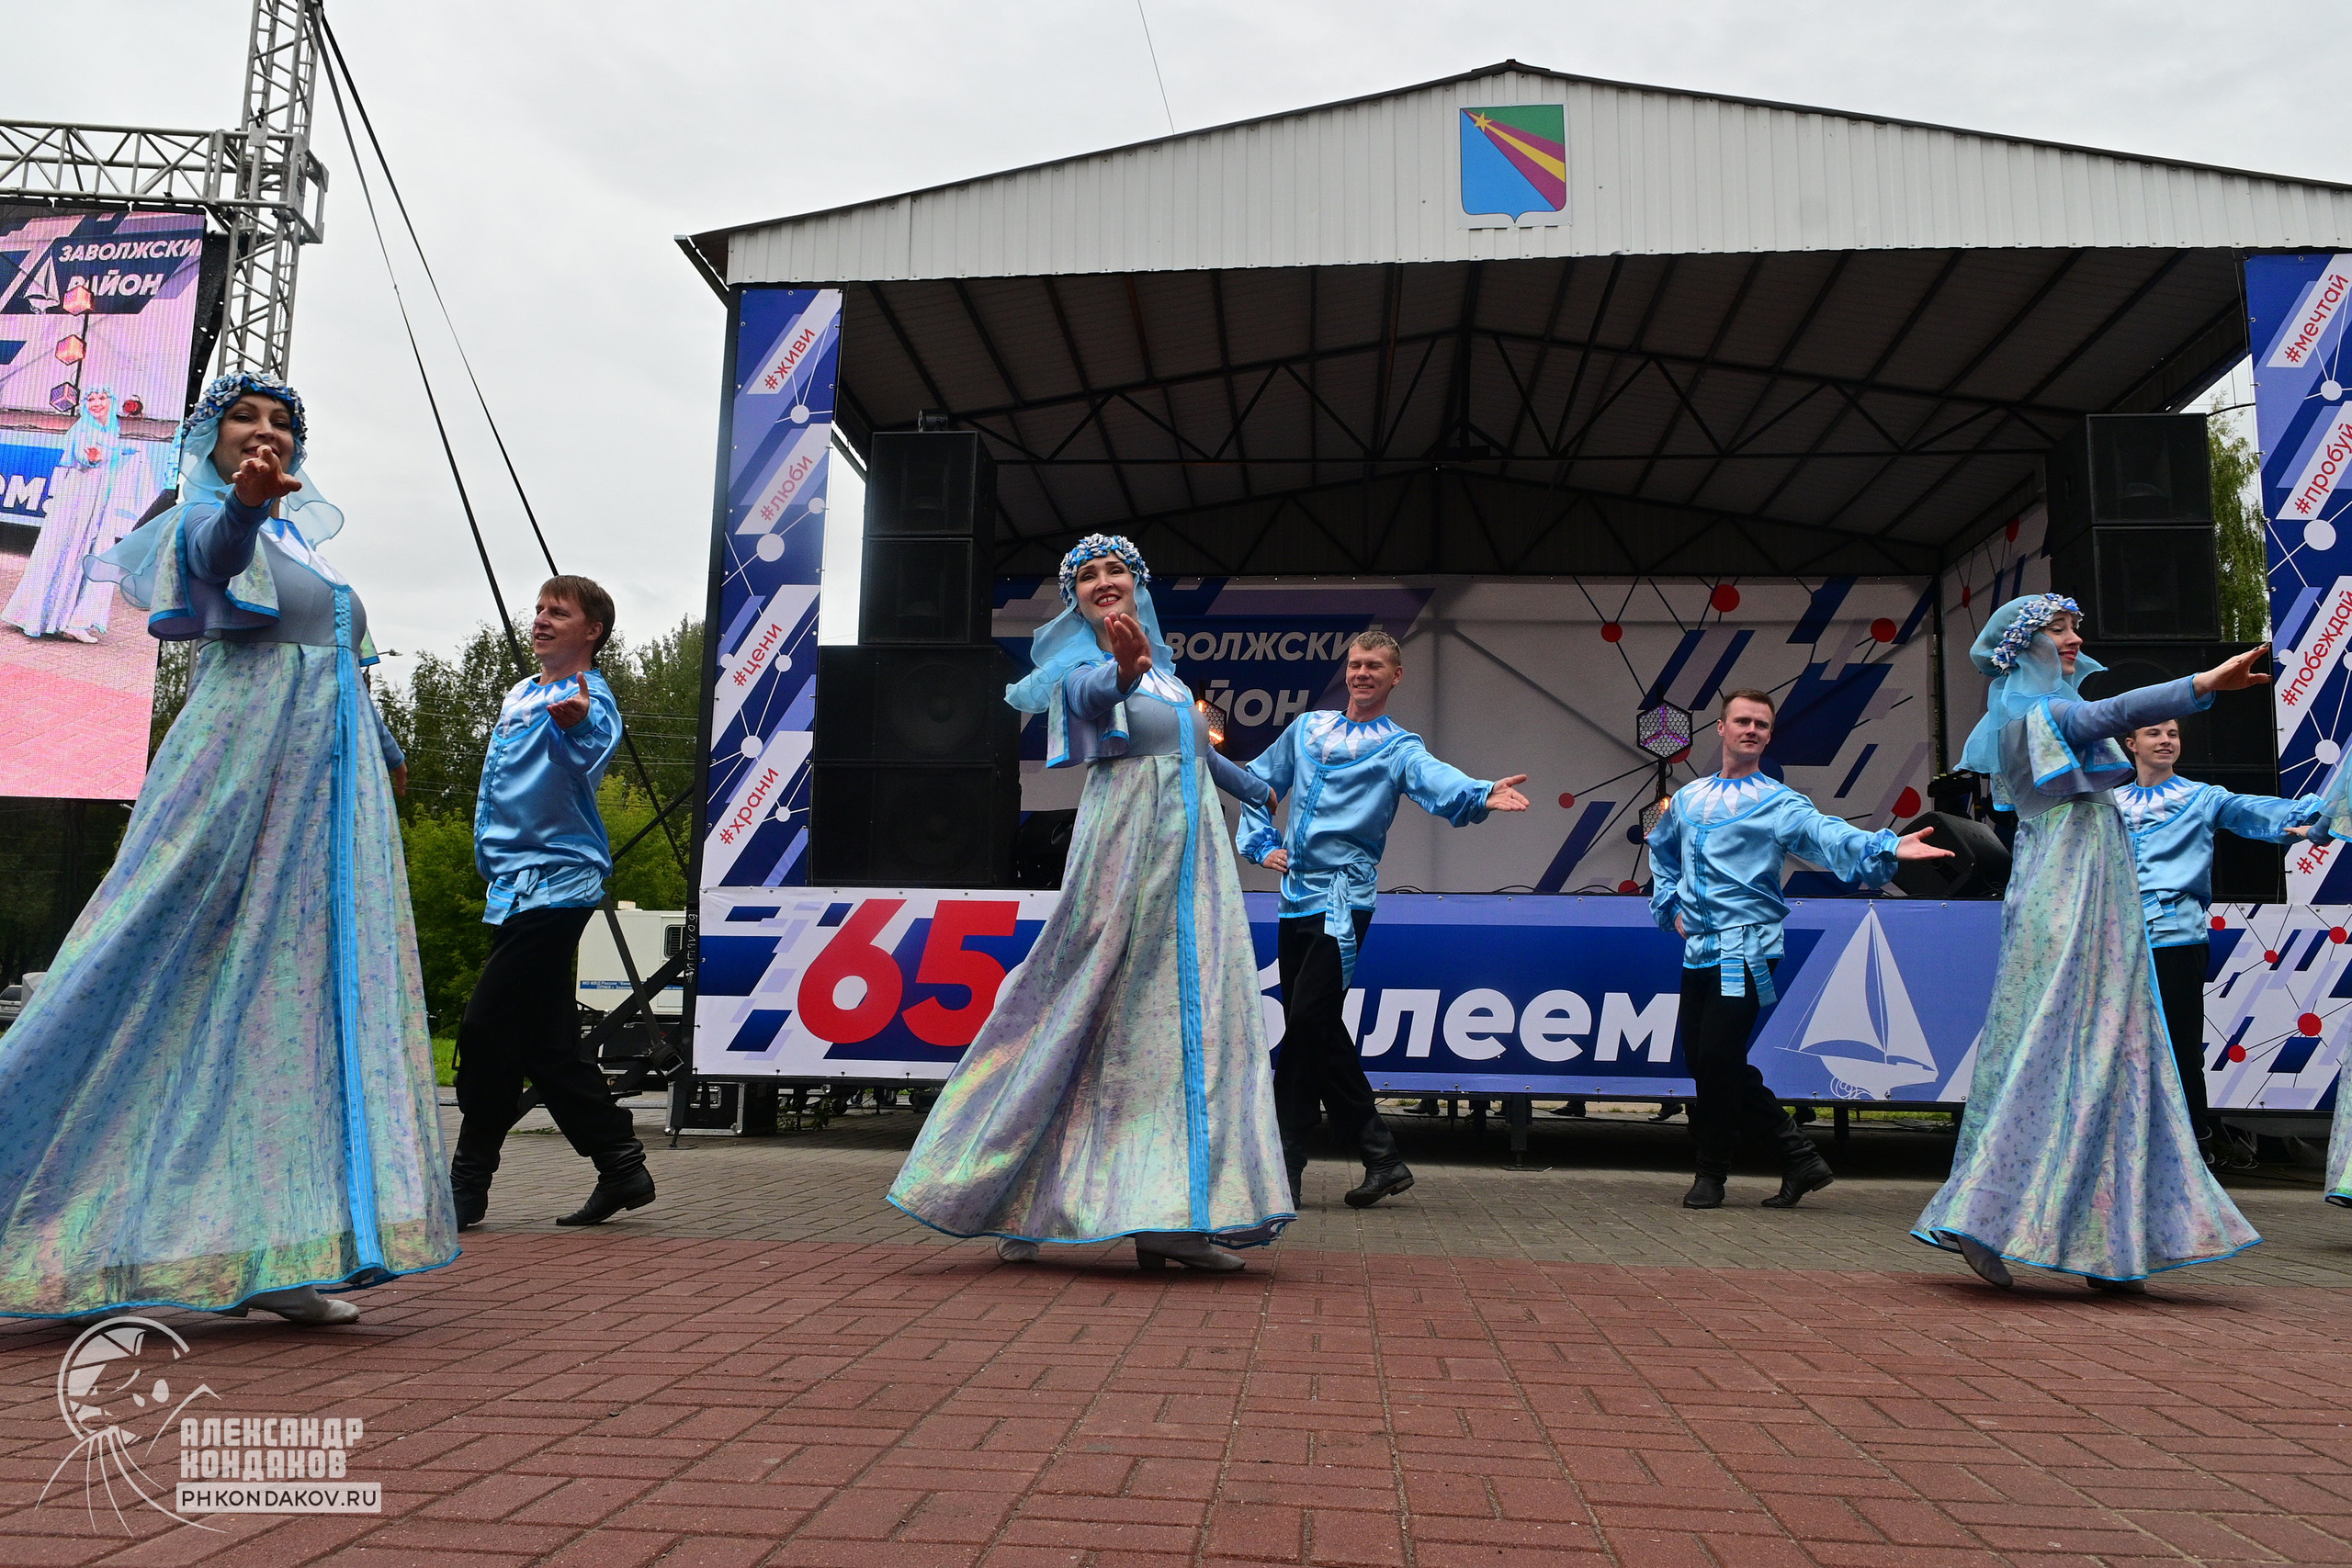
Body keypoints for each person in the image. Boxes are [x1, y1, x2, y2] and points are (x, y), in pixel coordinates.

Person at [0, 372, 454, 1324]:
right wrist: (243, 502)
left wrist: (387, 749)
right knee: (143, 963)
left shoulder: (303, 541)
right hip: (239, 766)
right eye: (244, 419)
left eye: (281, 423)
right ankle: (63, 1244)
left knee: (287, 1004)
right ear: (209, 438)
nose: (265, 433)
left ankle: (272, 1253)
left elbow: (348, 661)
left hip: (326, 793)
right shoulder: (208, 519)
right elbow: (212, 553)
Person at [888, 535, 1291, 1271]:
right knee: (1081, 1013)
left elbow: (1198, 755)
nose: (1103, 582)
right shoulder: (1084, 667)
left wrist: (1262, 790)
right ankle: (1010, 1191)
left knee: (1172, 1033)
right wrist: (1120, 669)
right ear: (1074, 597)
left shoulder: (1168, 679)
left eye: (1115, 571)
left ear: (1138, 584)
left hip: (1193, 877)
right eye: (1087, 576)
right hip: (1130, 860)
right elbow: (1087, 695)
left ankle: (1168, 1215)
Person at [1913, 594, 2267, 1292]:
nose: (2075, 639)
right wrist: (2201, 685)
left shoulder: (2057, 712)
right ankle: (1982, 1215)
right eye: (2059, 628)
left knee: (2123, 1055)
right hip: (2061, 900)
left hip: (2104, 902)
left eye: (2076, 627)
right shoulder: (2027, 718)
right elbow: (2109, 713)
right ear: (2023, 644)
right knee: (2045, 1050)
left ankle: (2108, 1237)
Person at [1236, 630, 1530, 1208]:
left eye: (1374, 666)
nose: (1361, 673)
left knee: (1309, 1020)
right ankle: (1350, 1163)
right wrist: (1261, 843)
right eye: (1354, 664)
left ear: (1396, 677)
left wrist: (1479, 792)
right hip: (1295, 897)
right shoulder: (1307, 728)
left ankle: (1345, 1156)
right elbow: (1258, 784)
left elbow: (1436, 780)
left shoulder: (1399, 746)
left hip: (1343, 902)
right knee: (1306, 1028)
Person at [1646, 690, 1951, 1211]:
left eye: (1761, 725)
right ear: (1721, 728)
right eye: (1742, 721)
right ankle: (1798, 1157)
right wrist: (1669, 904)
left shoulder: (1779, 802)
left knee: (1718, 1058)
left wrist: (1886, 845)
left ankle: (1712, 1173)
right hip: (1699, 948)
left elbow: (1826, 834)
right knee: (1706, 1063)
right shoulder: (1687, 798)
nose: (1751, 730)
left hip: (1748, 948)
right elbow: (1662, 851)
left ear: (1769, 735)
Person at [447, 578, 646, 1231]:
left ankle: (468, 1179)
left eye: (558, 612)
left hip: (557, 886)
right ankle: (621, 1165)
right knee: (545, 1045)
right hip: (512, 889)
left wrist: (579, 722)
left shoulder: (589, 697)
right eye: (538, 609)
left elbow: (592, 744)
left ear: (592, 631)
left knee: (483, 1028)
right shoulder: (520, 693)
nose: (541, 620)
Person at [2117, 717, 2328, 1166]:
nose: (2166, 741)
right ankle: (2128, 1147)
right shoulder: (2109, 803)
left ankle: (2195, 1144)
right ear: (2130, 743)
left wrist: (2315, 818)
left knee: (2179, 1044)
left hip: (2174, 937)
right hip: (2115, 941)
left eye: (2173, 733)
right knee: (2118, 1045)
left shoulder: (2201, 796)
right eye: (2155, 733)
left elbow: (2253, 810)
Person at [3, 385, 157, 642]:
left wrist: (121, 453)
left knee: (89, 553)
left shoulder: (111, 430)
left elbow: (110, 458)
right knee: (70, 550)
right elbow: (84, 457)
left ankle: (72, 618)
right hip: (79, 502)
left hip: (97, 504)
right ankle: (56, 618)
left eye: (102, 398)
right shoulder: (83, 429)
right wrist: (93, 458)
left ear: (112, 401)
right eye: (90, 399)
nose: (95, 403)